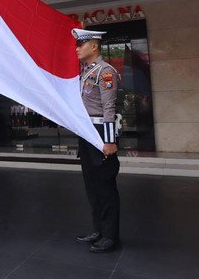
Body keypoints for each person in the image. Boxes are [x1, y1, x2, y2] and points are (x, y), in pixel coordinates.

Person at [73, 28, 121, 253]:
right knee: (92, 186)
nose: (77, 49)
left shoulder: (105, 72)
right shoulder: (85, 72)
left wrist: (109, 141)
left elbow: (109, 108)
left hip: (101, 134)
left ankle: (110, 235)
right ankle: (98, 230)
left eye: (81, 44)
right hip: (87, 133)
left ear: (94, 46)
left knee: (105, 187)